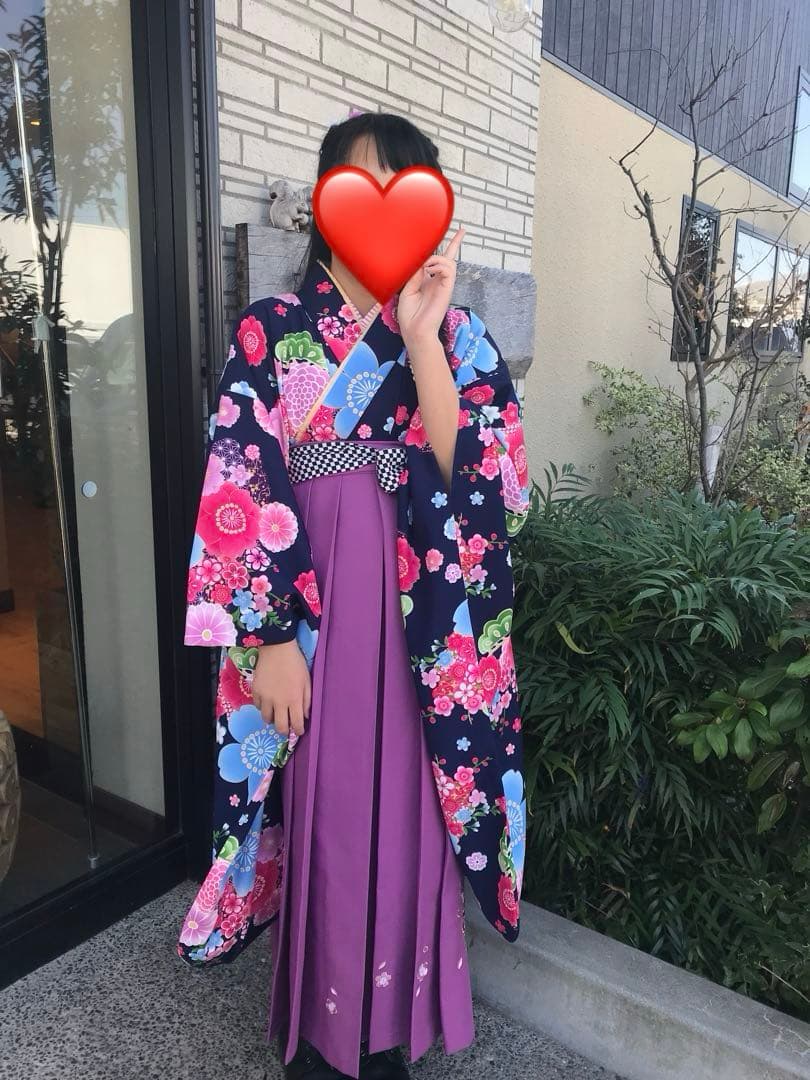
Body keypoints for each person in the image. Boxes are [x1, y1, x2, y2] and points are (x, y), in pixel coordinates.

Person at [177, 111, 531, 1080]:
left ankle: (390, 1038)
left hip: (424, 624)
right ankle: (323, 1034)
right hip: (316, 615)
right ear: (325, 205)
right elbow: (241, 473)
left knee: (415, 814)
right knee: (328, 810)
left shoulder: (458, 338)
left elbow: (488, 489)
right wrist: (267, 638)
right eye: (365, 191)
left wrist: (421, 339)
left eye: (406, 196)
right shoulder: (273, 331)